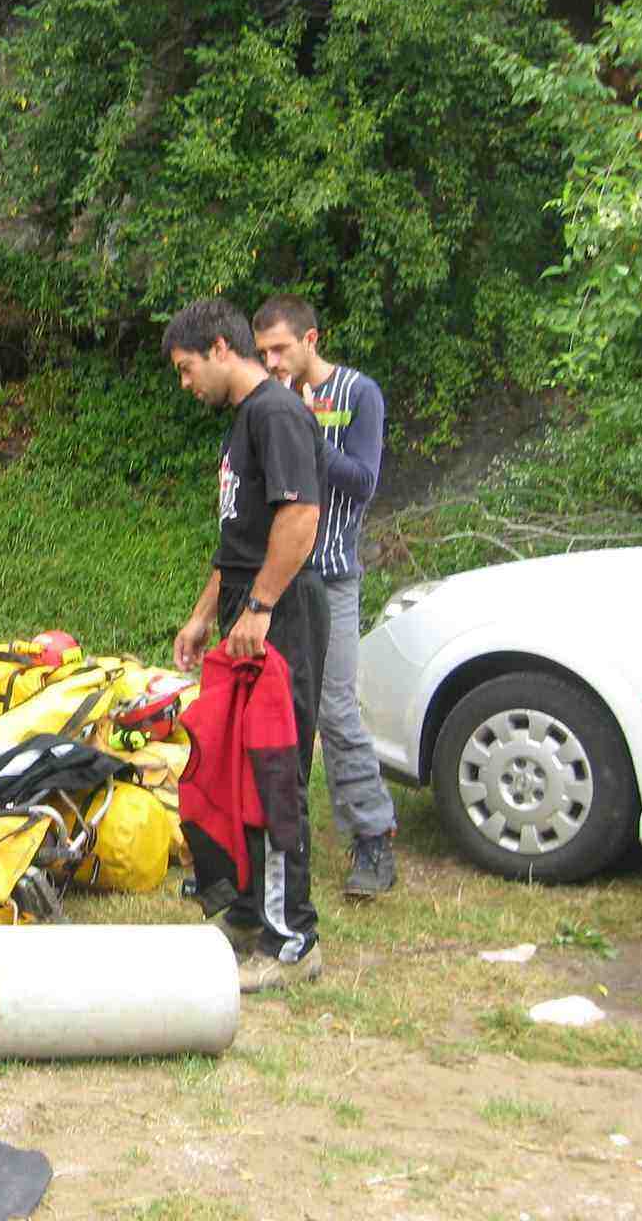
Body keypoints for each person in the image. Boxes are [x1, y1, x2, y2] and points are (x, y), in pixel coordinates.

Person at [167, 298, 329, 992]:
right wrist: (204, 615)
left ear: (219, 348)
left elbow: (300, 518)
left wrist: (260, 606)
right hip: (245, 607)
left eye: (186, 368)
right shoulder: (244, 421)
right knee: (231, 769)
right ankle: (247, 912)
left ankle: (291, 940)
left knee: (273, 773)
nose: (185, 384)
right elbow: (241, 536)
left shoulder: (276, 414)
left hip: (281, 614)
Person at [252, 294, 399, 898]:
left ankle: (372, 835)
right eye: (263, 352)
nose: (272, 362)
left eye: (280, 349)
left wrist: (309, 432)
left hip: (332, 576)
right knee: (269, 706)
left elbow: (363, 482)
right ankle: (268, 833)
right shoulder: (268, 399)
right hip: (277, 579)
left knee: (335, 710)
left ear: (311, 340)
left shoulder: (359, 393)